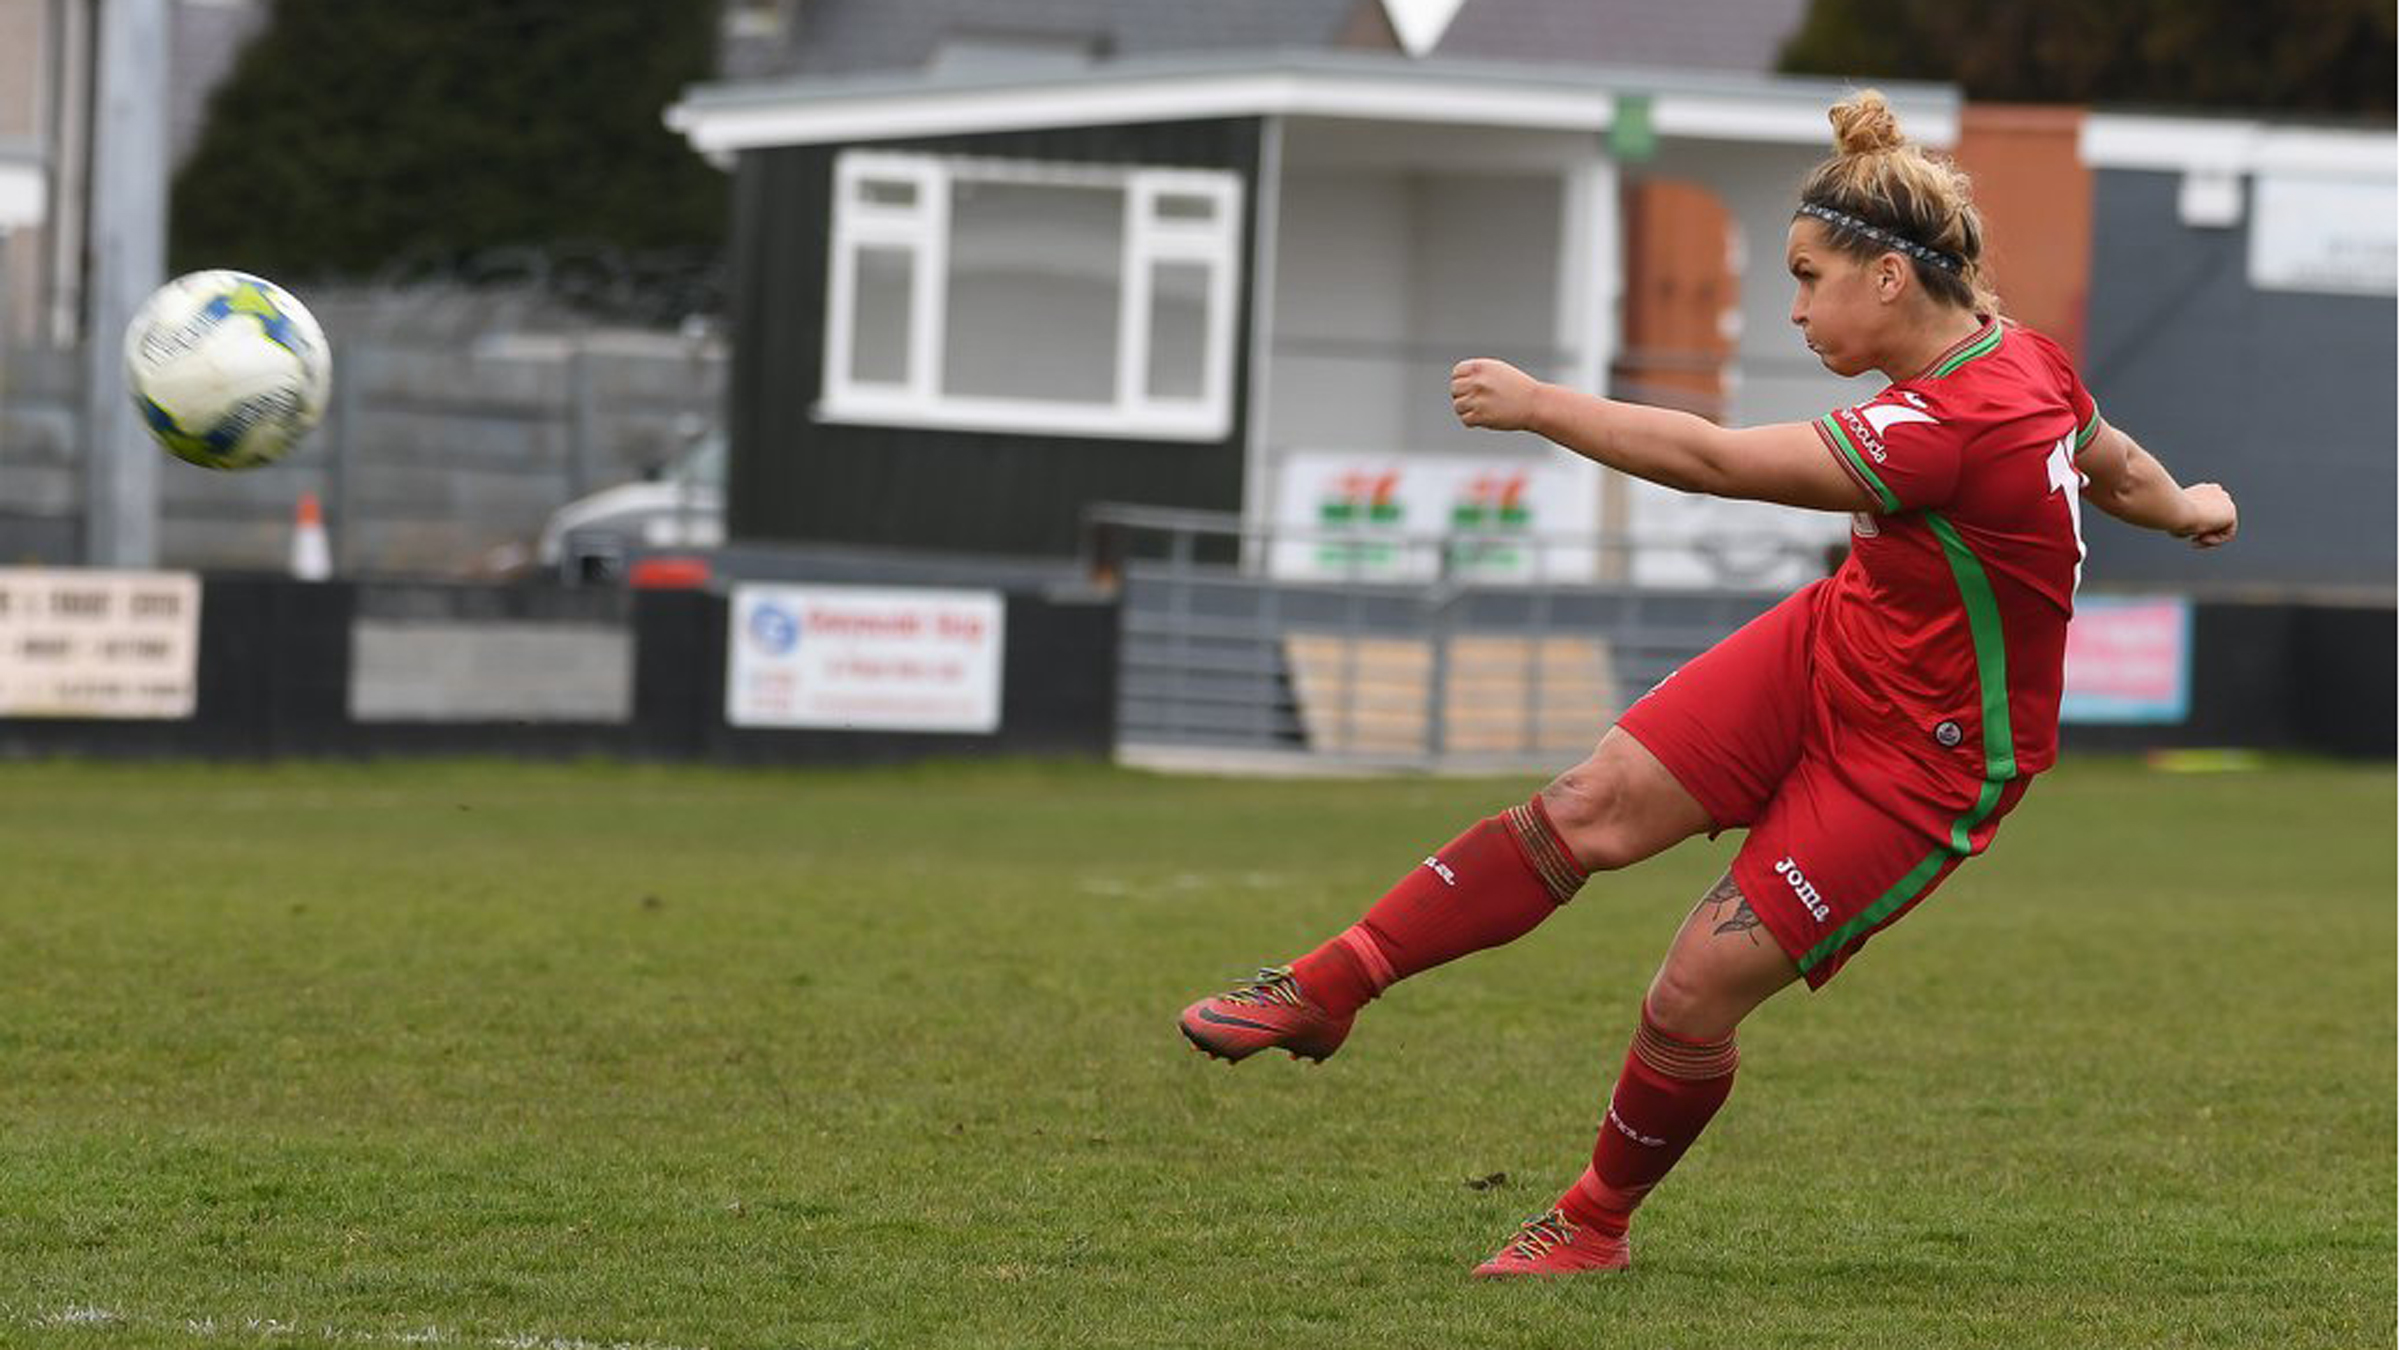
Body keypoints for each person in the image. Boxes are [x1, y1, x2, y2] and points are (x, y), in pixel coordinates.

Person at [1177, 89, 2239, 1278]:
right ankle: (1327, 986)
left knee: (1691, 988)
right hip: (1830, 647)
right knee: (1586, 805)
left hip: (1925, 762)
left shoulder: (1948, 423)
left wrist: (1540, 406)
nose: (1792, 309)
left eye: (1807, 277)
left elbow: (1718, 461)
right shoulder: (2025, 359)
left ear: (1890, 277)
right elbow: (2114, 459)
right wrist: (2190, 501)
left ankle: (1592, 1224)